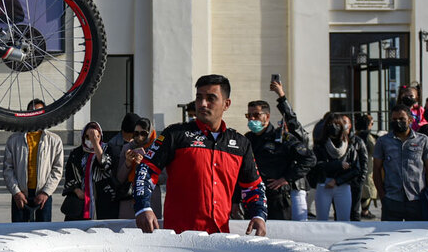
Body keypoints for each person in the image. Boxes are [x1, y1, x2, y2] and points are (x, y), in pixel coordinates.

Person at [134, 74, 267, 235]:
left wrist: (259, 215)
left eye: (211, 98)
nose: (203, 104)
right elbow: (146, 170)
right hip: (178, 239)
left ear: (226, 104)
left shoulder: (240, 143)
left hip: (220, 239)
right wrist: (143, 207)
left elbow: (253, 187)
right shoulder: (175, 134)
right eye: (199, 98)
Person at [245, 96, 314, 221]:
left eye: (256, 115)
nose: (252, 119)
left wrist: (286, 178)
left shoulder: (282, 138)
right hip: (254, 197)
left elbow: (309, 159)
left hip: (277, 198)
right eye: (248, 115)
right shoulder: (247, 139)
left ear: (267, 116)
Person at [2, 99, 64, 223]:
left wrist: (46, 193)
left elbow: (57, 170)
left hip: (43, 195)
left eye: (39, 111)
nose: (35, 114)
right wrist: (16, 192)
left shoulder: (54, 140)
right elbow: (8, 169)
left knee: (42, 234)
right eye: (32, 111)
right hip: (20, 195)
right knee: (18, 234)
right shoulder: (14, 140)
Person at [372, 102, 428, 221]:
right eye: (394, 119)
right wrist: (382, 195)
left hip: (417, 199)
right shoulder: (383, 142)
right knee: (390, 236)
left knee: (416, 236)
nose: (397, 122)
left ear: (410, 120)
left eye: (402, 119)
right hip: (392, 199)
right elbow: (376, 169)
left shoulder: (423, 140)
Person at [311, 113, 368, 221]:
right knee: (321, 220)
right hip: (324, 184)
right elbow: (316, 165)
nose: (334, 128)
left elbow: (355, 168)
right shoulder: (320, 144)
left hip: (343, 184)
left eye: (337, 124)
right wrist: (338, 165)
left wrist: (337, 181)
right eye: (330, 124)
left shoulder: (350, 145)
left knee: (344, 219)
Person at [60, 122, 117, 221]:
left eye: (96, 136)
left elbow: (105, 165)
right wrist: (76, 190)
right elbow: (70, 174)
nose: (91, 139)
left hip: (101, 198)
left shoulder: (107, 149)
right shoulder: (76, 153)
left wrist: (95, 143)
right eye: (88, 136)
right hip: (80, 201)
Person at [114, 117, 158, 219]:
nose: (139, 137)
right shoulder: (127, 148)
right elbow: (119, 178)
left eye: (143, 133)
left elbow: (163, 177)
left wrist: (143, 166)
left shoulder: (157, 149)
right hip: (129, 197)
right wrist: (128, 163)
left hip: (150, 198)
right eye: (136, 133)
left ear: (150, 133)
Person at [354, 112, 379, 219]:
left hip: (357, 165)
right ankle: (365, 211)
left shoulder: (355, 135)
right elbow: (375, 150)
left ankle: (361, 210)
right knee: (368, 190)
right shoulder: (368, 137)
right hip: (367, 166)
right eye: (371, 123)